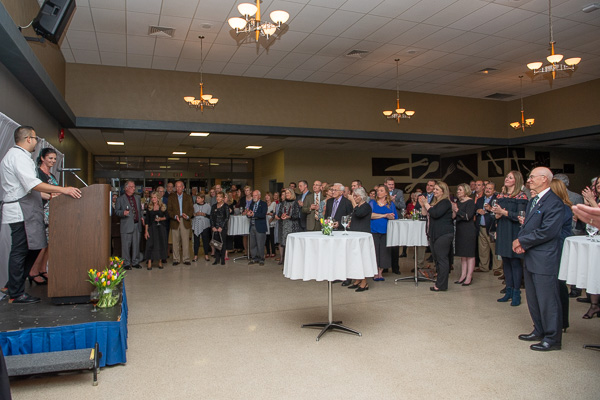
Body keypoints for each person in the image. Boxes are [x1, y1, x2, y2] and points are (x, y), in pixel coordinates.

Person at [1, 126, 81, 304]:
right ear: (28, 138)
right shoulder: (17, 156)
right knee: (20, 250)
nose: (36, 142)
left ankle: (14, 285)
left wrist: (53, 195)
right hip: (21, 211)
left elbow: (34, 189)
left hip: (28, 208)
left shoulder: (21, 157)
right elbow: (32, 184)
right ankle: (15, 291)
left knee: (34, 246)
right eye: (35, 138)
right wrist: (63, 189)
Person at [513, 167, 565, 351]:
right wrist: (522, 241)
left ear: (544, 179)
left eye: (532, 177)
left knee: (547, 299)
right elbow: (529, 225)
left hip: (544, 258)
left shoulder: (554, 203)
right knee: (534, 298)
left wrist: (522, 240)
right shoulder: (535, 200)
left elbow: (547, 231)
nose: (529, 180)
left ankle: (552, 338)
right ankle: (539, 329)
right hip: (531, 255)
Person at [492, 171, 528, 306]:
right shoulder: (500, 195)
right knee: (505, 261)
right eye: (507, 177)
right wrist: (496, 215)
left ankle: (516, 293)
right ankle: (508, 290)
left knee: (515, 262)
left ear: (516, 181)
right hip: (502, 229)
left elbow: (520, 216)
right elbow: (495, 212)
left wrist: (504, 212)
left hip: (514, 231)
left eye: (510, 177)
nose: (507, 179)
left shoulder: (521, 196)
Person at [29, 147, 60, 285]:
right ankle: (33, 271)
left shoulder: (52, 177)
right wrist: (51, 195)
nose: (53, 161)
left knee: (50, 244)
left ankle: (43, 269)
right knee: (42, 243)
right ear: (42, 158)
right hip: (41, 211)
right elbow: (33, 191)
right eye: (50, 158)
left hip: (54, 212)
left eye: (54, 159)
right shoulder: (37, 174)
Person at [419, 181, 454, 292]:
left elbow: (435, 213)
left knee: (442, 259)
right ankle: (440, 283)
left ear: (443, 191)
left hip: (443, 234)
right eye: (434, 189)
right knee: (437, 259)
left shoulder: (445, 202)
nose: (434, 191)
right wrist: (423, 205)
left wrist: (427, 204)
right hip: (434, 234)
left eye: (437, 189)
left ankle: (441, 285)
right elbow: (425, 214)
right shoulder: (435, 202)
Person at [549, 179, 573, 329]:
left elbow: (554, 229)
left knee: (559, 285)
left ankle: (563, 321)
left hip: (559, 248)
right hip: (552, 248)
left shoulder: (564, 209)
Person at [370, 184, 397, 281]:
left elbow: (394, 216)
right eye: (378, 190)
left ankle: (380, 272)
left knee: (384, 252)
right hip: (374, 230)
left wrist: (389, 216)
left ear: (386, 193)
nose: (379, 192)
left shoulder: (390, 204)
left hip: (386, 231)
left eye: (381, 190)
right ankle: (375, 271)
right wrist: (384, 215)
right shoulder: (373, 202)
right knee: (375, 251)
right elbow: (370, 215)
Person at [347, 187, 372, 292]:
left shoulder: (366, 206)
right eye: (353, 196)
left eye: (356, 196)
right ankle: (358, 279)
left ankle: (364, 282)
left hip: (362, 235)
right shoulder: (358, 206)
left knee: (362, 258)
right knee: (355, 258)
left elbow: (359, 214)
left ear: (361, 197)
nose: (354, 198)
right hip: (355, 234)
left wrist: (353, 202)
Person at [452, 183, 477, 286]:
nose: (458, 192)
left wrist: (457, 210)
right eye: (458, 190)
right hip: (460, 230)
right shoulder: (457, 202)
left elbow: (467, 216)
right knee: (463, 255)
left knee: (470, 254)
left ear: (466, 191)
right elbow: (454, 216)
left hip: (469, 230)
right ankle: (463, 275)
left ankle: (469, 276)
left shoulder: (470, 202)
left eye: (460, 190)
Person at [115, 180, 144, 270]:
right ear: (126, 188)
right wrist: (122, 213)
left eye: (134, 186)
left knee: (136, 245)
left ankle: (135, 262)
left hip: (137, 225)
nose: (134, 188)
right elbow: (116, 211)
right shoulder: (120, 199)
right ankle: (126, 263)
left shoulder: (138, 198)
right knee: (125, 246)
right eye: (131, 187)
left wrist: (142, 217)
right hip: (126, 225)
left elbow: (140, 210)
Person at [474, 182, 501, 274]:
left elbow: (499, 213)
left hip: (491, 227)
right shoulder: (480, 200)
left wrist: (490, 209)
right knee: (483, 249)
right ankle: (483, 266)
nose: (488, 190)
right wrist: (478, 211)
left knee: (494, 248)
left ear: (494, 191)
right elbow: (474, 210)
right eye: (487, 188)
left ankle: (497, 268)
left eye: (490, 188)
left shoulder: (497, 199)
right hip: (481, 227)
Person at [168, 181, 194, 266]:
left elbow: (191, 209)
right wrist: (175, 216)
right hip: (175, 220)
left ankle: (186, 259)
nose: (178, 188)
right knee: (175, 242)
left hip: (185, 220)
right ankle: (176, 259)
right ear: (175, 188)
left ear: (183, 187)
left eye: (180, 186)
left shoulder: (188, 197)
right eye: (177, 187)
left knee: (185, 241)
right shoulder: (171, 197)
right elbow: (169, 210)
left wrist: (187, 216)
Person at [385, 177, 406, 274]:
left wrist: (393, 201)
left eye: (393, 184)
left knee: (395, 245)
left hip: (395, 220)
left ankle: (395, 267)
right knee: (385, 244)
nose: (391, 186)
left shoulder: (399, 192)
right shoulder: (381, 192)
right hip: (384, 220)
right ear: (385, 184)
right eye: (389, 184)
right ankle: (385, 266)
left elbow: (403, 205)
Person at [277, 188, 301, 265]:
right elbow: (279, 213)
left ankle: (293, 263)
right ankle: (285, 263)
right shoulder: (283, 203)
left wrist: (289, 216)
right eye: (286, 193)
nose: (287, 194)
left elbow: (296, 215)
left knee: (292, 245)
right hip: (284, 226)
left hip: (293, 227)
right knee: (284, 245)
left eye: (288, 193)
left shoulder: (295, 203)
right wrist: (282, 215)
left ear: (292, 194)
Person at [144, 191, 168, 270]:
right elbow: (147, 220)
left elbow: (167, 217)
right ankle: (150, 261)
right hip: (152, 228)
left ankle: (160, 261)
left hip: (161, 228)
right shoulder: (149, 207)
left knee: (161, 244)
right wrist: (146, 231)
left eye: (155, 197)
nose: (153, 199)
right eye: (152, 197)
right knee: (150, 244)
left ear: (158, 198)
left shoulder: (163, 206)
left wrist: (161, 219)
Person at [247, 190, 268, 265]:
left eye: (255, 195)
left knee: (260, 243)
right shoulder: (252, 204)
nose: (254, 197)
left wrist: (254, 214)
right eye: (253, 195)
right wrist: (248, 214)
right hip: (252, 226)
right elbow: (249, 213)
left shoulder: (263, 204)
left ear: (259, 196)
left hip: (260, 226)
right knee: (252, 244)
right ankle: (254, 258)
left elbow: (263, 214)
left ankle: (261, 258)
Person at [210, 192, 229, 265]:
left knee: (223, 243)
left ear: (223, 198)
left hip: (222, 228)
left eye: (220, 197)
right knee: (216, 243)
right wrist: (213, 227)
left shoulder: (225, 206)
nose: (218, 198)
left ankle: (222, 259)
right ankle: (217, 259)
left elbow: (227, 218)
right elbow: (211, 217)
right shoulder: (214, 206)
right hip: (215, 228)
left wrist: (221, 227)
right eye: (217, 196)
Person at [192, 194, 211, 262]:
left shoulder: (208, 206)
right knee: (196, 240)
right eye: (197, 198)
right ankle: (195, 255)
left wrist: (204, 214)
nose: (197, 199)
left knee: (205, 240)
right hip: (196, 224)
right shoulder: (194, 206)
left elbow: (210, 216)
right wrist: (195, 214)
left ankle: (206, 255)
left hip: (205, 225)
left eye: (199, 198)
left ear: (203, 199)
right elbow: (191, 215)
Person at [265, 192, 277, 258]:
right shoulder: (264, 204)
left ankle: (273, 251)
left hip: (272, 222)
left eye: (268, 196)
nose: (267, 197)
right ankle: (267, 252)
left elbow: (275, 213)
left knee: (272, 238)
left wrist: (271, 218)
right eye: (266, 196)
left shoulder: (273, 203)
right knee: (266, 238)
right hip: (266, 222)